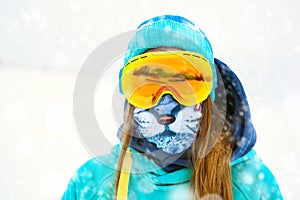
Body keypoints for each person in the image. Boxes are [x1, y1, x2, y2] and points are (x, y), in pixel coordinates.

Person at [62, 15, 282, 200]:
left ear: (209, 95)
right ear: (130, 98)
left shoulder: (251, 186)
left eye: (185, 82)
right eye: (147, 84)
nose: (165, 106)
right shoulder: (92, 184)